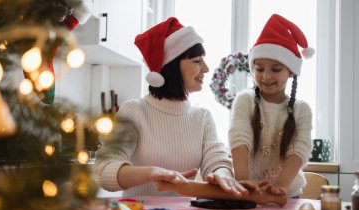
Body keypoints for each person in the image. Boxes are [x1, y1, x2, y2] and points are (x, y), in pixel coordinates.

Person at [95, 17, 261, 197]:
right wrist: (151, 173)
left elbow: (217, 160)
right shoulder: (134, 111)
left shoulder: (202, 117)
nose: (206, 68)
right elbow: (105, 168)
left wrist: (222, 175)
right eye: (197, 61)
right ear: (172, 66)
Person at [229, 14, 314, 198]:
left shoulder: (302, 110)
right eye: (259, 69)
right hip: (248, 192)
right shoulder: (245, 101)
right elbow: (239, 138)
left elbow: (299, 149)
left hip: (286, 195)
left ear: (291, 71)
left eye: (276, 69)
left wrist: (280, 187)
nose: (266, 77)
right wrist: (243, 180)